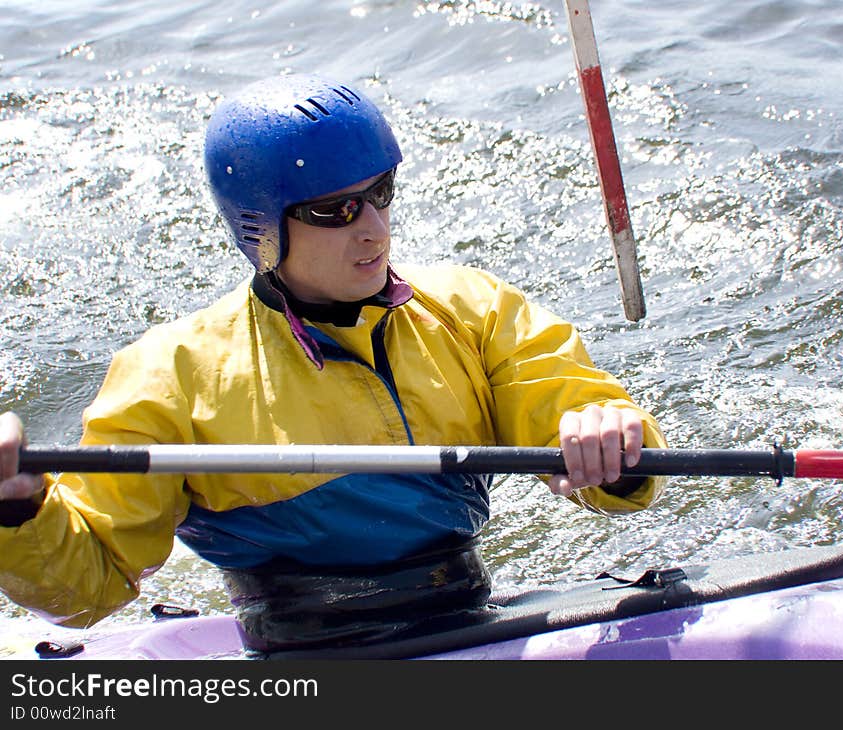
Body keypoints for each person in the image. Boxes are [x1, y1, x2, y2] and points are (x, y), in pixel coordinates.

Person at [0, 73, 667, 657]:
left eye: (381, 193)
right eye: (336, 211)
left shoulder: (474, 309)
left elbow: (583, 424)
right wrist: (16, 508)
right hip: (296, 652)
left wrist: (604, 433)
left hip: (467, 618)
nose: (374, 229)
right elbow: (86, 586)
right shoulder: (170, 379)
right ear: (260, 228)